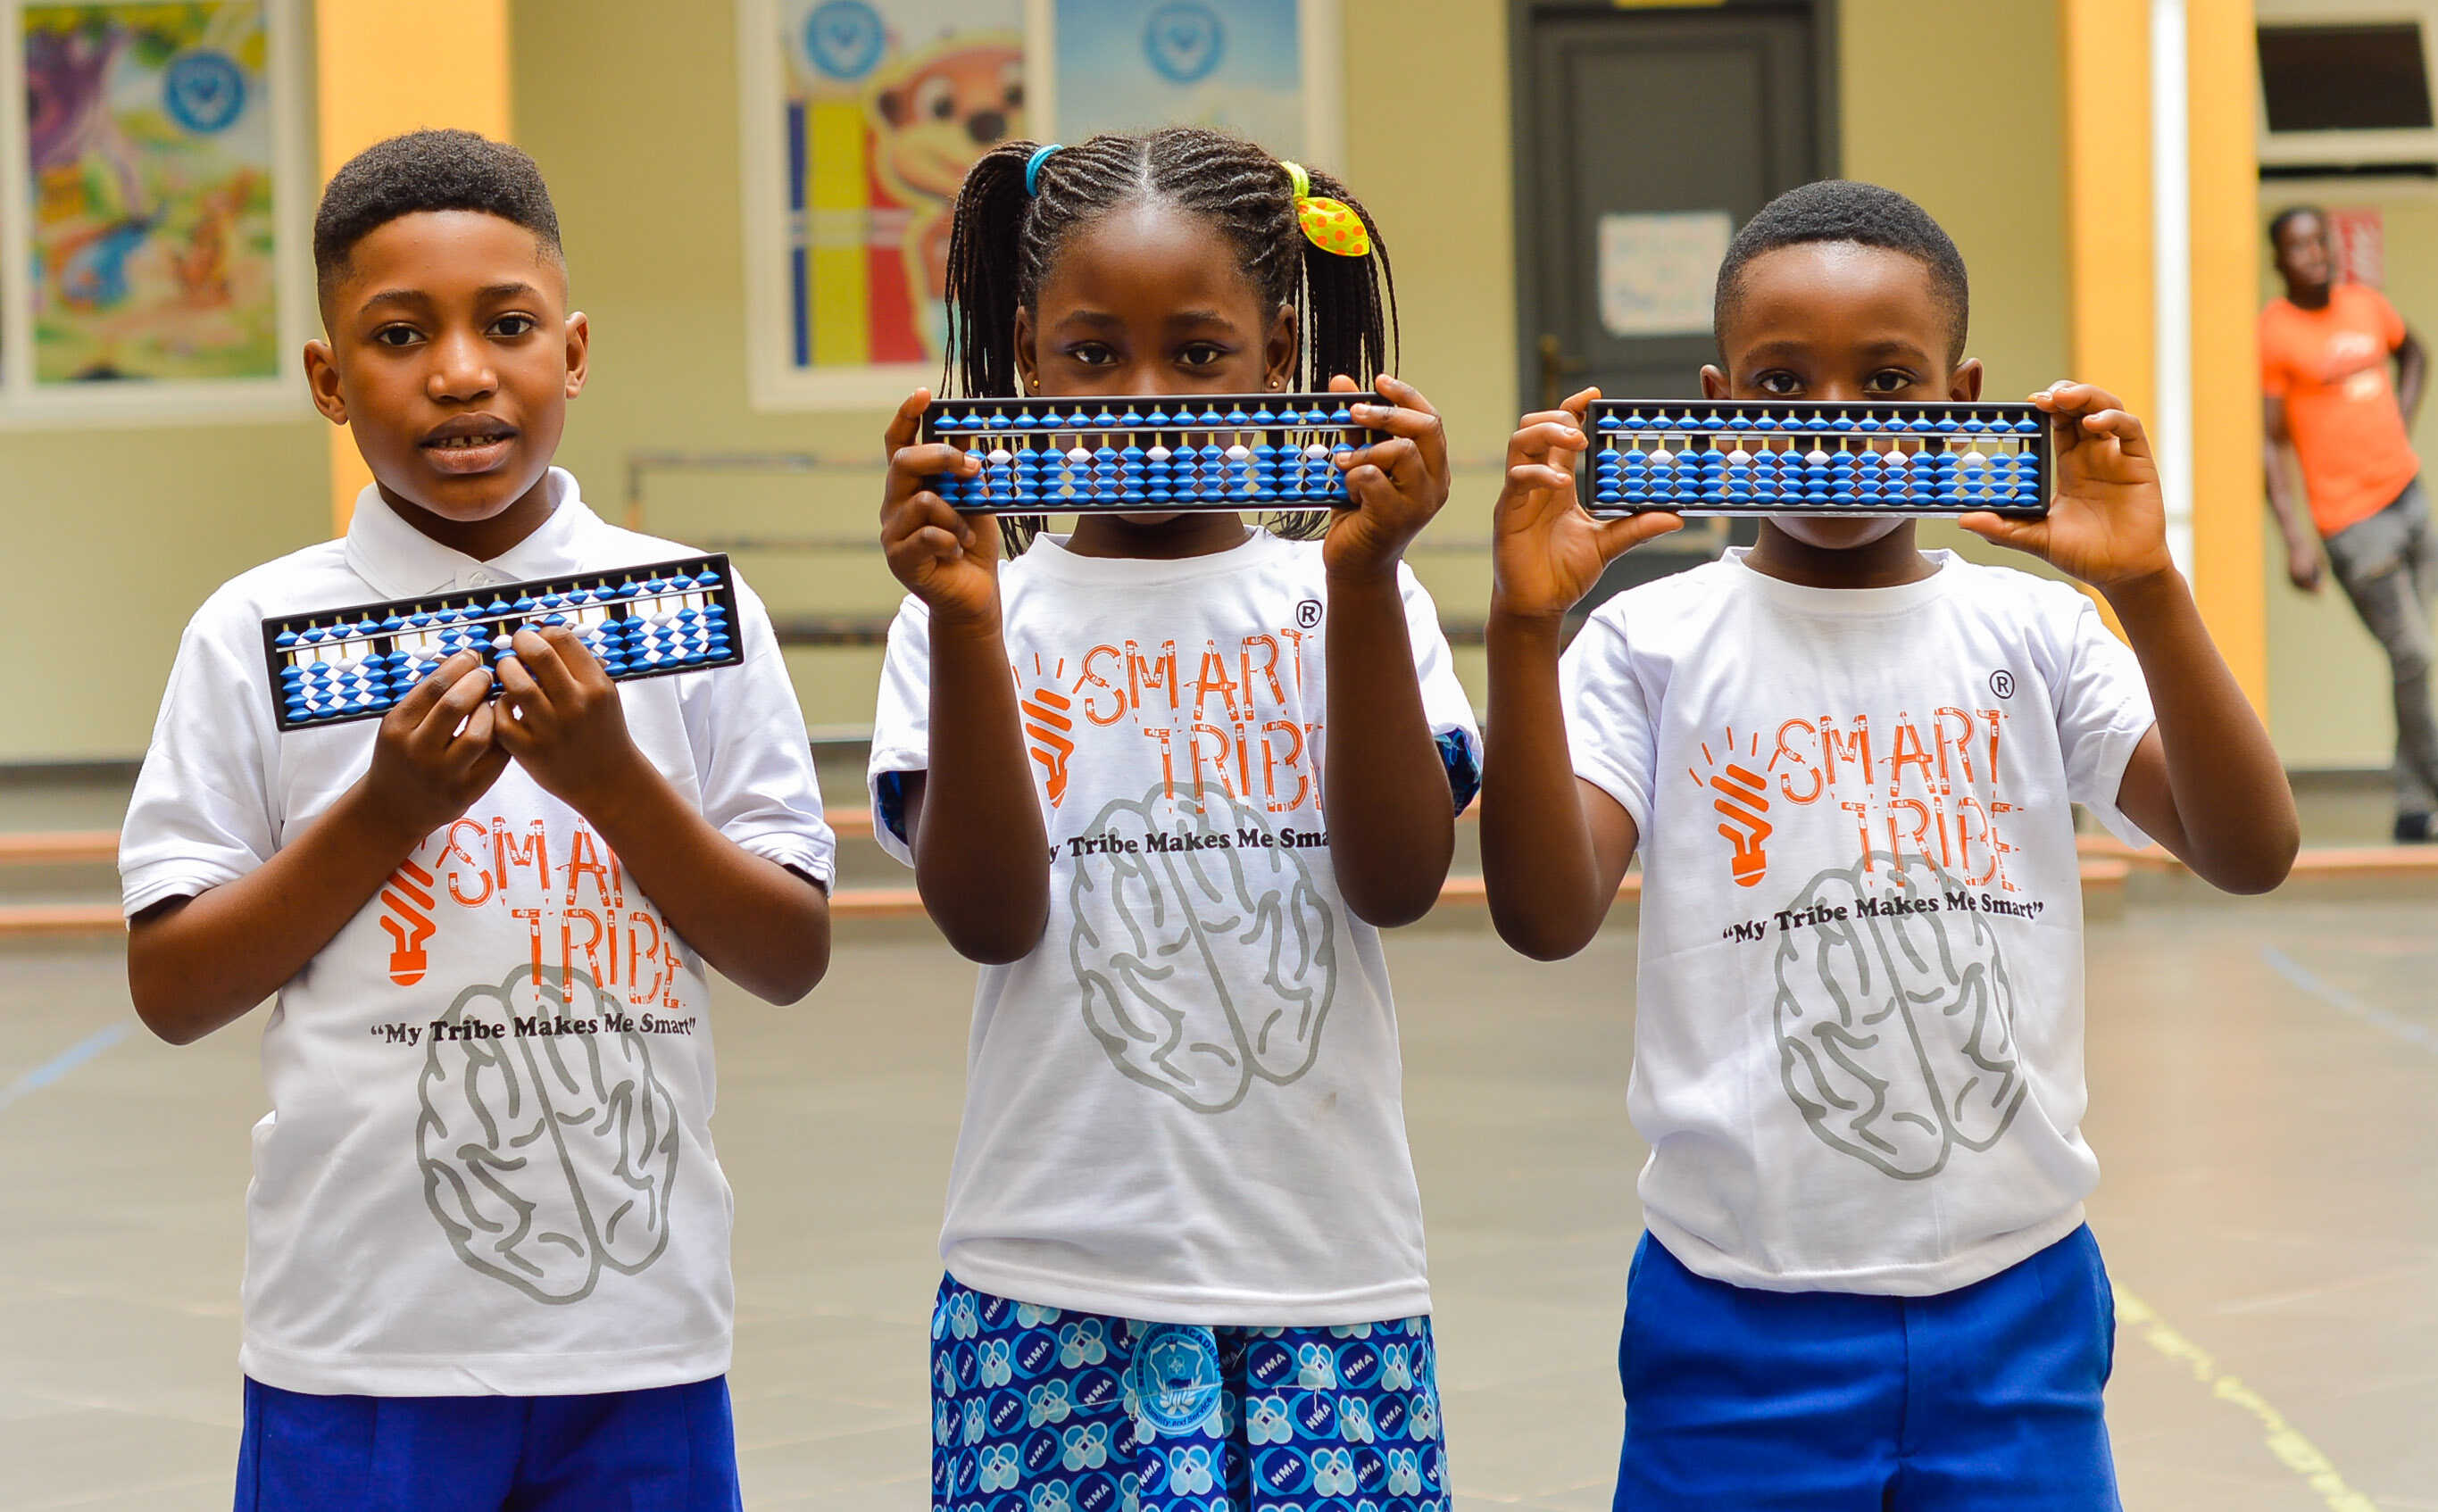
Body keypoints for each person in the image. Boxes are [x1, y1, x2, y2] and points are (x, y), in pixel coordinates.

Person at [1477, 180, 2298, 1510]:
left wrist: (2145, 588)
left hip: (2017, 1300)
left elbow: (2246, 846)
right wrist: (1522, 631)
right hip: (1731, 1313)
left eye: (1886, 379)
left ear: (1958, 399)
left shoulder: (2032, 632)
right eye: (1780, 383)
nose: (1832, 417)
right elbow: (1542, 911)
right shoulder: (1648, 640)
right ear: (1716, 403)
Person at [118, 130, 835, 1511]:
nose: (458, 371)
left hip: (637, 1334)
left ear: (572, 351)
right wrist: (382, 814)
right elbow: (173, 986)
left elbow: (788, 952)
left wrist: (614, 784)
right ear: (329, 379)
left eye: (506, 326)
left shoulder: (684, 611)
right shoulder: (255, 629)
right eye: (399, 335)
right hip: (361, 1339)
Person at [869, 129, 1477, 1512]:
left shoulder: (1342, 593)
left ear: (1278, 351)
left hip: (1323, 1273)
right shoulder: (976, 613)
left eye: (1197, 354)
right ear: (1024, 356)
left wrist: (1366, 578)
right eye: (1092, 354)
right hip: (1045, 1275)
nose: (1143, 400)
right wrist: (961, 622)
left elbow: (1395, 881)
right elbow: (988, 920)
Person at [2262, 204, 2438, 843]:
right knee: (2414, 654)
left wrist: (2400, 423)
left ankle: (2413, 808)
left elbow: (2414, 354)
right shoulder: (2275, 333)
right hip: (2352, 524)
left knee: (2414, 664)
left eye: (2320, 242)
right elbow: (2269, 441)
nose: (2314, 254)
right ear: (2279, 260)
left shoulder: (2366, 305)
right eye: (2298, 246)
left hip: (2409, 499)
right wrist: (2293, 539)